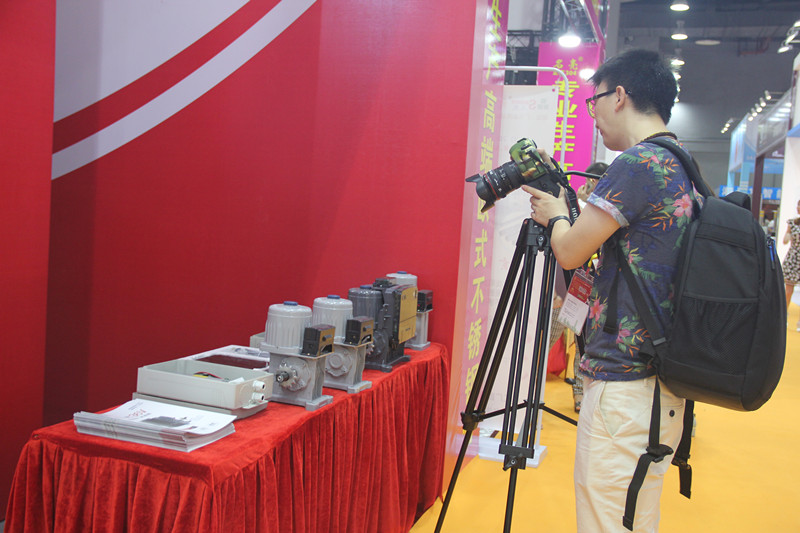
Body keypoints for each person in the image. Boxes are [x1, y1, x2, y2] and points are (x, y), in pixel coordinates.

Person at [523, 49, 695, 532]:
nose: (592, 113)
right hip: (660, 382)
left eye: (593, 100)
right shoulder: (680, 163)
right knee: (632, 518)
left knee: (606, 521)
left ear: (619, 96)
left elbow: (569, 251)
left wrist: (556, 214)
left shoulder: (638, 163)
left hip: (625, 386)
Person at [782, 199, 800, 330]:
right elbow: (785, 240)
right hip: (793, 258)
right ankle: (783, 316)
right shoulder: (792, 223)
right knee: (788, 290)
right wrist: (788, 235)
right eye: (798, 205)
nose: (798, 207)